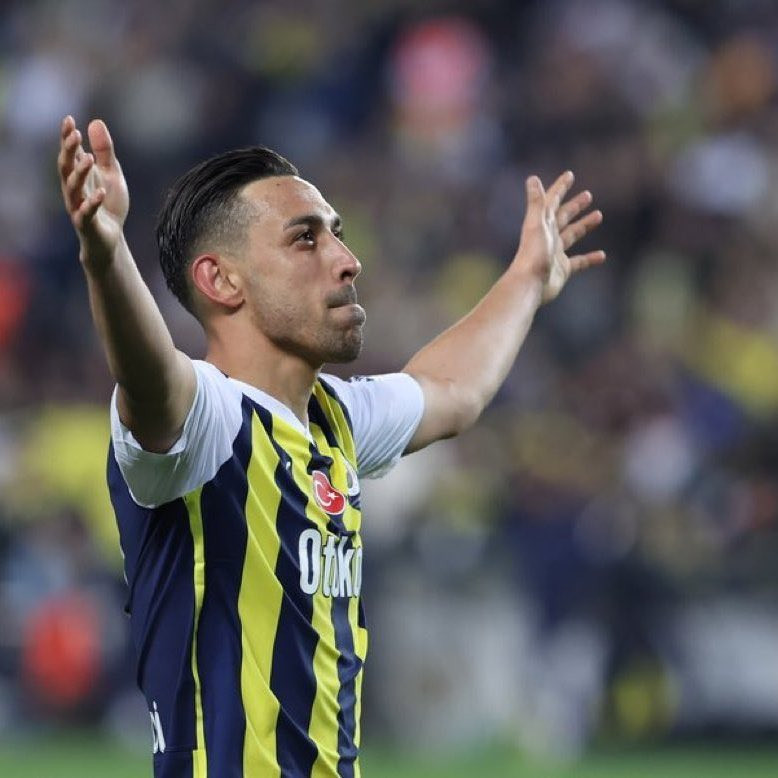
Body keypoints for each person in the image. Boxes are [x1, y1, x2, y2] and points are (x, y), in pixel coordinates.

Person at [57, 114, 605, 778]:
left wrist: (527, 276)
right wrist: (105, 255)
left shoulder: (334, 419)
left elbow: (453, 389)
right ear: (221, 281)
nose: (348, 260)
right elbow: (149, 380)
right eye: (304, 239)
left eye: (337, 234)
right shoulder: (207, 424)